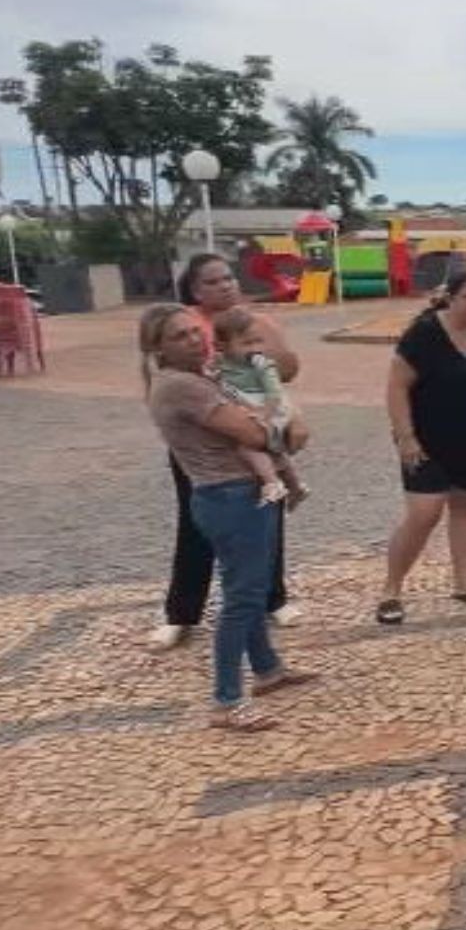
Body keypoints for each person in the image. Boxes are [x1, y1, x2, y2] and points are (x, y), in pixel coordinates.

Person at [140, 304, 315, 731]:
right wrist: (285, 429)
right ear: (158, 348)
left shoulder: (195, 377)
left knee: (249, 587)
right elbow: (251, 432)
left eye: (194, 331)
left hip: (235, 493)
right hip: (230, 496)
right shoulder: (183, 386)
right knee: (242, 598)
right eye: (179, 336)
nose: (193, 340)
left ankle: (267, 669)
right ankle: (227, 699)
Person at [155, 253, 301, 651]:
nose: (225, 286)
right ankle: (181, 612)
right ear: (195, 289)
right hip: (203, 444)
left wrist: (267, 350)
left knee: (268, 514)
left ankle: (273, 598)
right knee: (195, 524)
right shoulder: (185, 325)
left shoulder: (254, 322)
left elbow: (285, 371)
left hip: (254, 430)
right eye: (213, 281)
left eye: (229, 278)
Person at [378, 271, 466, 625]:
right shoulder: (424, 335)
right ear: (451, 298)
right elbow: (397, 386)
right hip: (426, 441)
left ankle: (464, 583)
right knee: (424, 513)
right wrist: (405, 436)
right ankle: (391, 590)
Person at [209, 307, 307, 508]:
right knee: (273, 452)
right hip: (250, 406)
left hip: (272, 410)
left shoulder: (262, 365)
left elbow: (274, 392)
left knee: (248, 447)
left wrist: (265, 415)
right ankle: (295, 486)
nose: (255, 348)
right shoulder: (224, 363)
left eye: (258, 341)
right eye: (246, 343)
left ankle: (272, 483)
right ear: (223, 346)